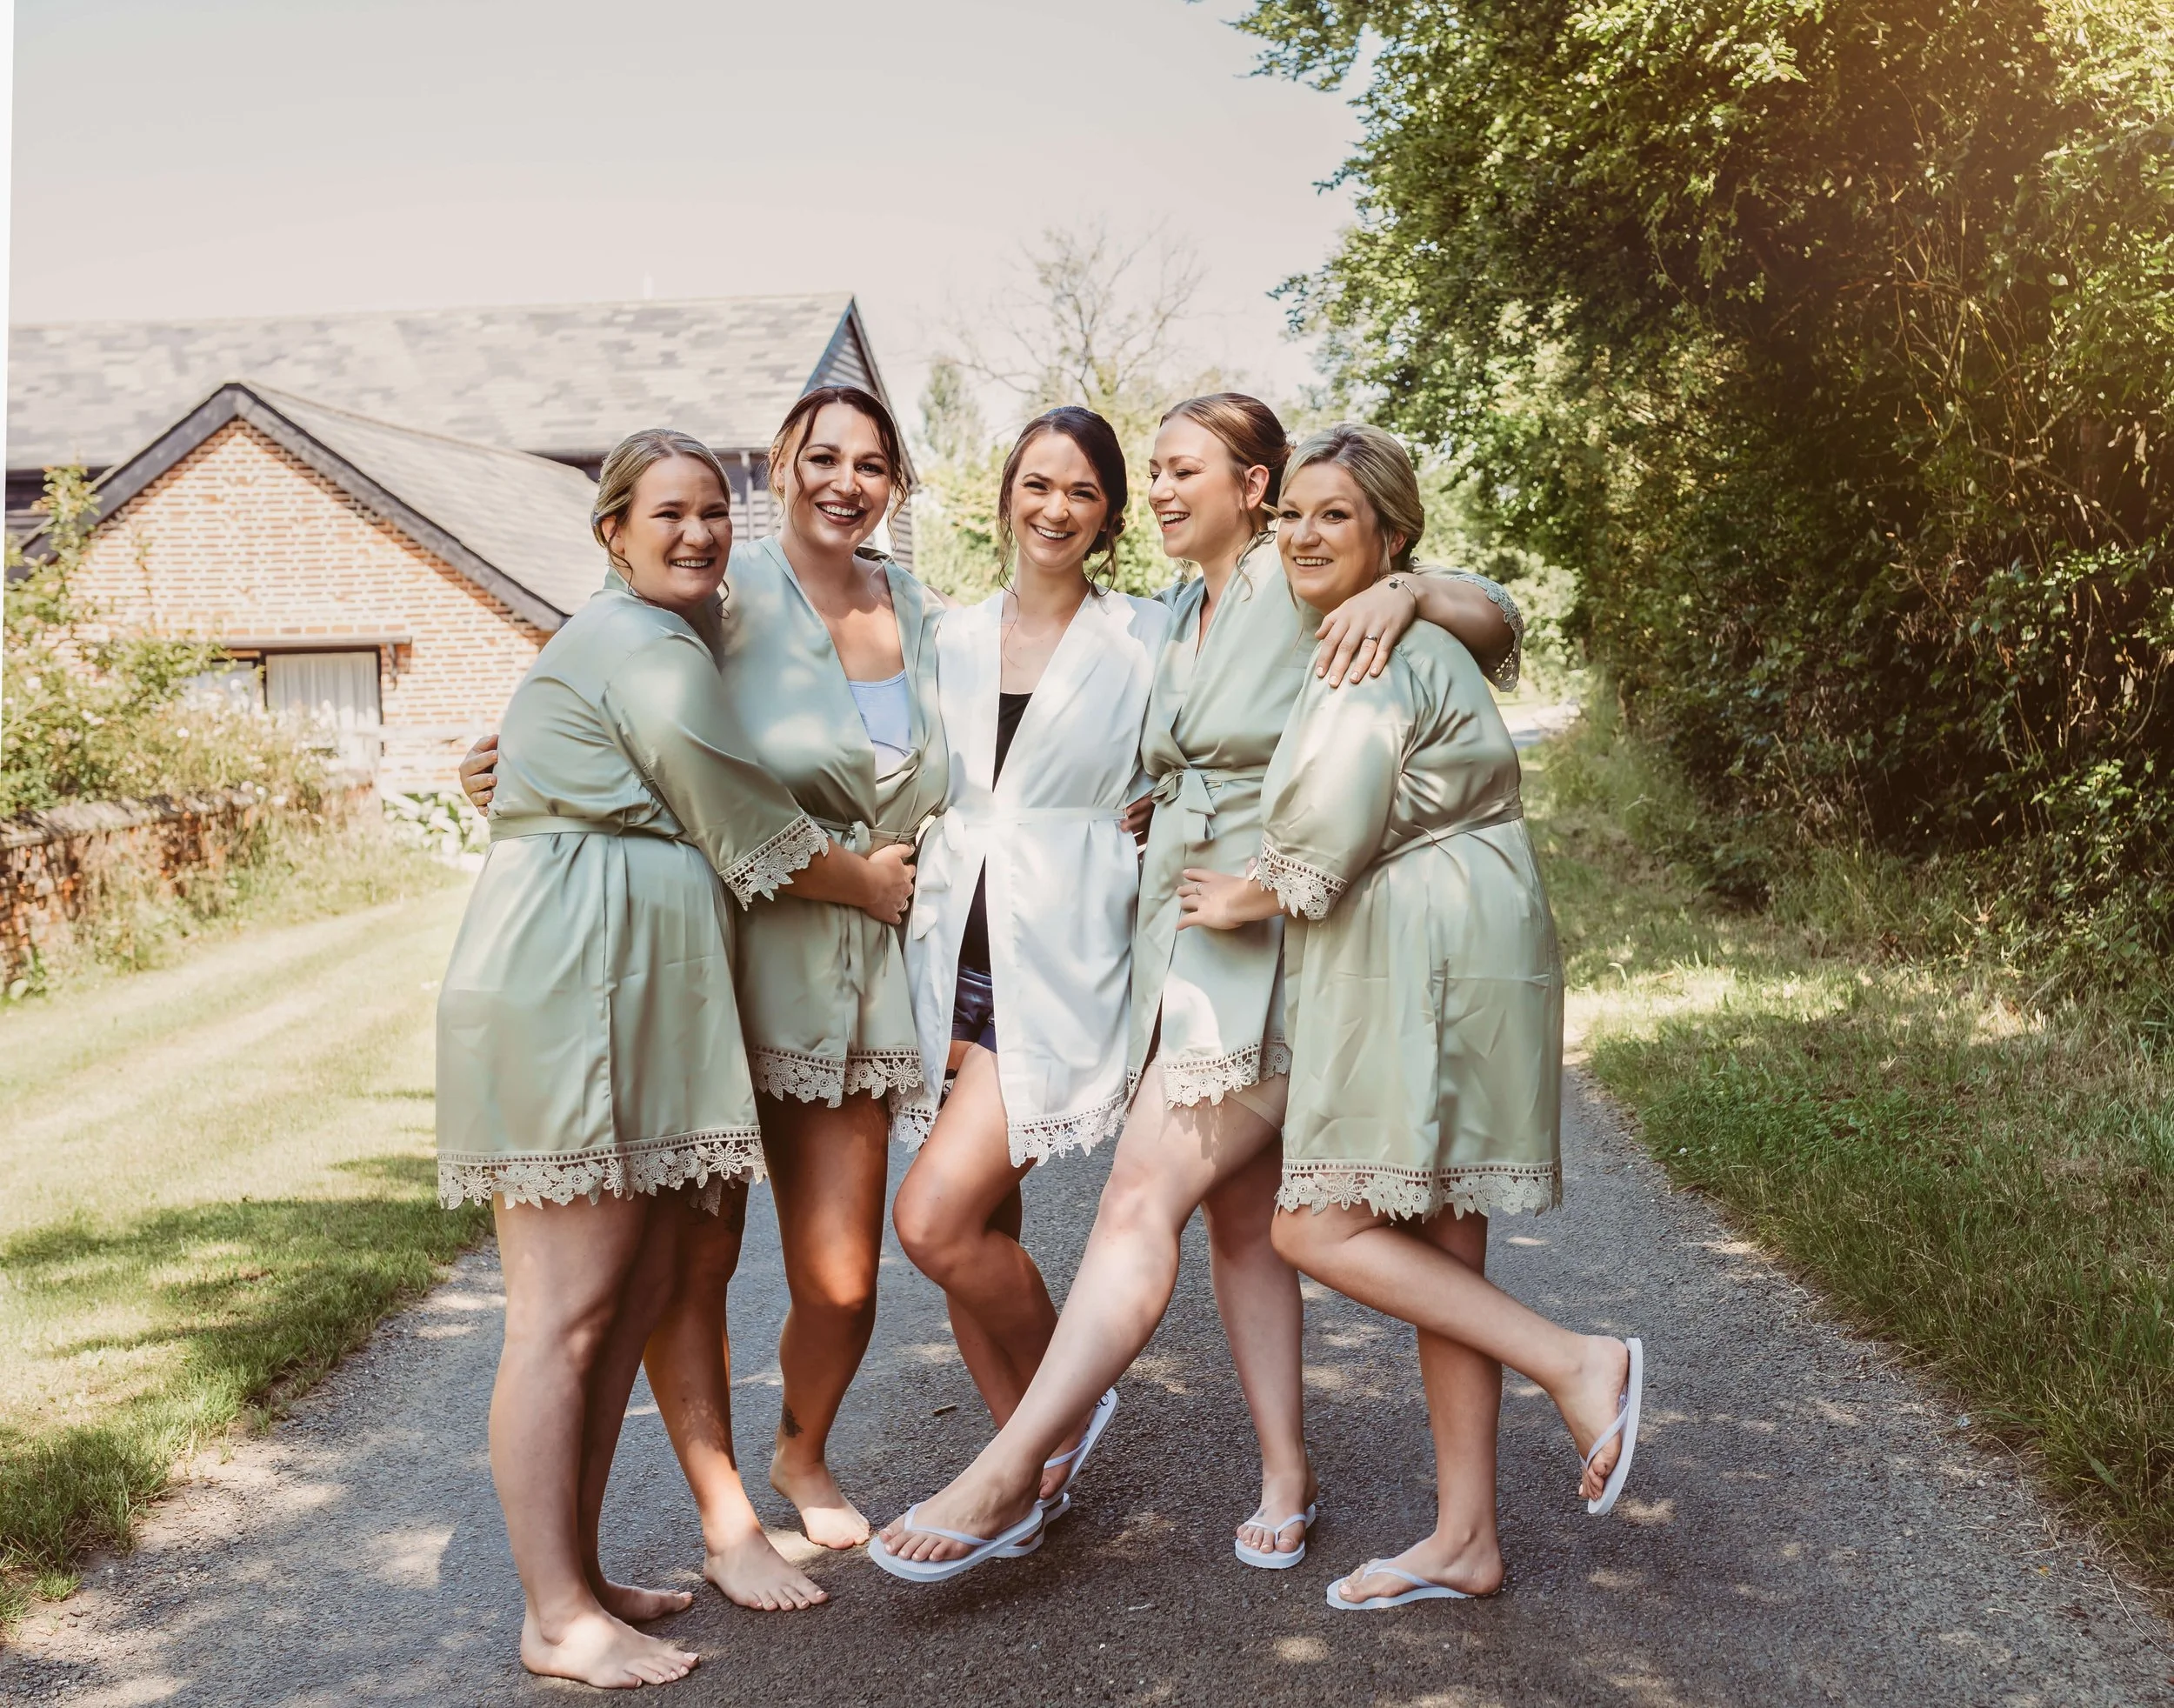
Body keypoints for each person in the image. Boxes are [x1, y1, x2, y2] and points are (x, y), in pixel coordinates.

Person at [870, 394, 1523, 1580]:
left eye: (1180, 473)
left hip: (1276, 930)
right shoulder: (1179, 610)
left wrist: (1414, 588)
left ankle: (1014, 1464)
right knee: (1239, 1214)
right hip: (1192, 931)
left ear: (1253, 489)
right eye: (1156, 475)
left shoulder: (1304, 580)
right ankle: (1289, 1468)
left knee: (1139, 1197)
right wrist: (1153, 801)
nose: (1160, 492)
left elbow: (1486, 619)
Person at [436, 430, 904, 1685]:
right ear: (611, 529)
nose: (696, 532)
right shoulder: (640, 647)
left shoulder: (650, 637)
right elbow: (742, 813)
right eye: (668, 513)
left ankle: (577, 1582)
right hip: (572, 988)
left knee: (617, 1298)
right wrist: (867, 880)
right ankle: (553, 1616)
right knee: (562, 1314)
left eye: (712, 511)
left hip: (621, 984)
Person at [1180, 423, 1642, 1611]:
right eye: (1293, 515)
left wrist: (1248, 889)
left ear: (1391, 532)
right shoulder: (1405, 626)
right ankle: (1466, 1537)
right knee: (1439, 1238)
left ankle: (1576, 1363)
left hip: (1422, 937)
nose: (1304, 535)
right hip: (1467, 916)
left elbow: (1327, 824)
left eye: (1335, 514)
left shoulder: (1374, 642)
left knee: (1313, 1227)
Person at [890, 407, 1167, 1514]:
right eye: (1038, 484)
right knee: (983, 1228)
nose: (1055, 508)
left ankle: (1062, 1407)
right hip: (945, 952)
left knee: (934, 1220)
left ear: (1109, 517)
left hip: (1058, 959)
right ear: (1006, 491)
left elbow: (1224, 744)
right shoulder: (947, 634)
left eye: (1083, 492)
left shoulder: (1148, 634)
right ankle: (1027, 1470)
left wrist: (1168, 806)